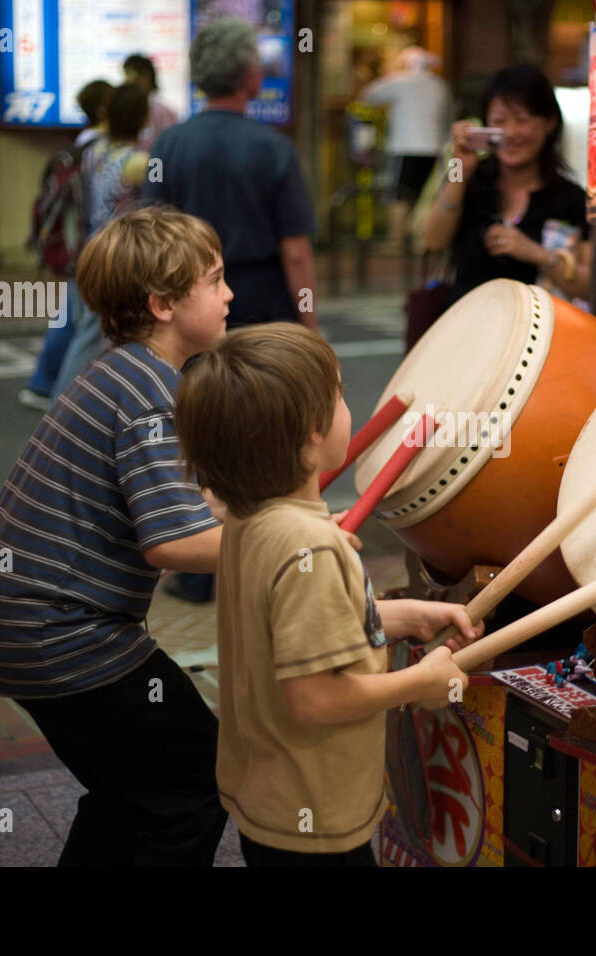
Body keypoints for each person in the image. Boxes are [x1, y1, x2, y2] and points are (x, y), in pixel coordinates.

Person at [0, 207, 233, 866]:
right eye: (215, 280)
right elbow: (169, 543)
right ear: (163, 303)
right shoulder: (151, 394)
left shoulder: (125, 371)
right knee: (194, 777)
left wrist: (240, 513)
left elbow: (178, 504)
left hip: (16, 617)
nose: (229, 295)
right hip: (56, 628)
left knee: (131, 787)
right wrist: (291, 544)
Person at [173, 324, 481, 866]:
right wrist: (419, 681)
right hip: (312, 813)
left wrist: (400, 615)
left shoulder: (251, 517)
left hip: (268, 795)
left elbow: (284, 633)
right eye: (337, 395)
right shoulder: (309, 546)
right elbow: (313, 697)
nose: (346, 406)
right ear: (312, 433)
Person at [143, 17, 316, 332]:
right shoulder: (276, 149)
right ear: (249, 76)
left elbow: (152, 233)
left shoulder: (167, 144)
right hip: (265, 308)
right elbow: (296, 253)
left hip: (189, 303)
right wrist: (310, 326)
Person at [423, 64, 592, 306]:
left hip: (538, 337)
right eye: (499, 120)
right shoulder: (471, 181)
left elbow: (590, 288)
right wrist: (460, 168)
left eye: (522, 120)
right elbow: (433, 241)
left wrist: (536, 253)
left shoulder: (570, 199)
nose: (511, 133)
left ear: (549, 123)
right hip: (466, 330)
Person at [45, 83, 151, 402]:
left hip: (93, 245)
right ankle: (60, 403)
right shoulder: (139, 161)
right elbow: (155, 204)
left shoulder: (96, 152)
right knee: (94, 332)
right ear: (141, 117)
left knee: (92, 327)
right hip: (122, 252)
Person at [19, 79, 114, 410]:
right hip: (90, 251)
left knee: (69, 317)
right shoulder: (98, 154)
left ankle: (42, 384)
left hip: (72, 252)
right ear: (105, 109)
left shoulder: (68, 154)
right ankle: (59, 398)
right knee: (86, 326)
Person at [359, 47, 450, 252]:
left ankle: (396, 241)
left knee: (398, 195)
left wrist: (390, 73)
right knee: (425, 196)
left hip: (405, 147)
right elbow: (447, 116)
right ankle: (421, 240)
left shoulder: (399, 81)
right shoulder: (440, 85)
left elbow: (368, 95)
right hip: (434, 147)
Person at [124, 53, 179, 151]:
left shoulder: (162, 111)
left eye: (133, 81)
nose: (127, 86)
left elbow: (171, 147)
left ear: (146, 76)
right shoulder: (127, 109)